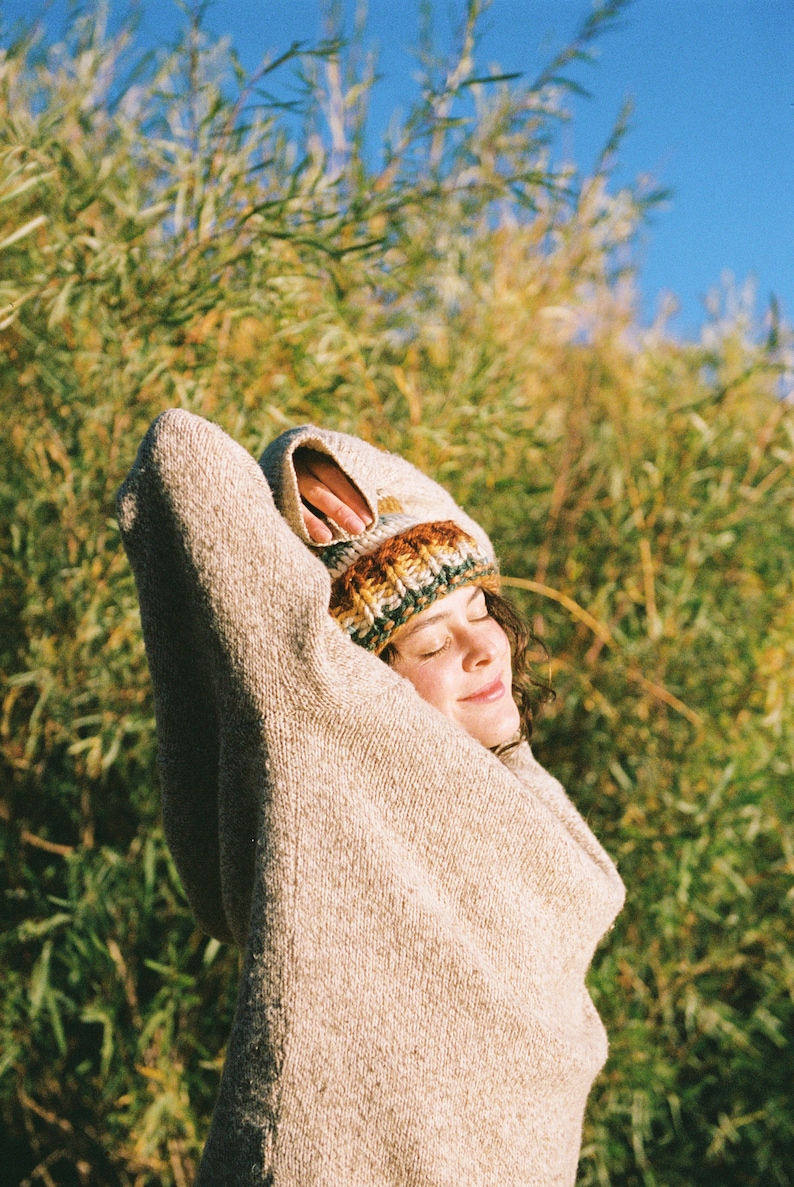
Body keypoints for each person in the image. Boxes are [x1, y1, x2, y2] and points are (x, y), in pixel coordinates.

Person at [118, 412, 625, 1187]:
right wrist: (303, 472)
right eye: (431, 643)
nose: (482, 645)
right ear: (370, 687)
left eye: (480, 611)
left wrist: (387, 504)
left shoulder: (522, 796)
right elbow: (181, 459)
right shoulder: (336, 753)